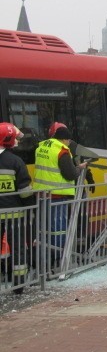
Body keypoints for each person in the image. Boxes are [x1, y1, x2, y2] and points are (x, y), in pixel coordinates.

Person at [33, 123, 88, 268]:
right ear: (65, 139)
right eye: (68, 141)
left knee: (44, 229)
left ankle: (44, 261)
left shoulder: (42, 146)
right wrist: (79, 168)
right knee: (58, 229)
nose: (69, 143)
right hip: (57, 195)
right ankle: (59, 260)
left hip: (41, 194)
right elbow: (70, 174)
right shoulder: (62, 150)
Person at [0, 123, 34, 294]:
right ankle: (18, 285)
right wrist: (31, 207)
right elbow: (25, 191)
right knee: (18, 247)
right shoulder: (15, 161)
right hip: (15, 213)